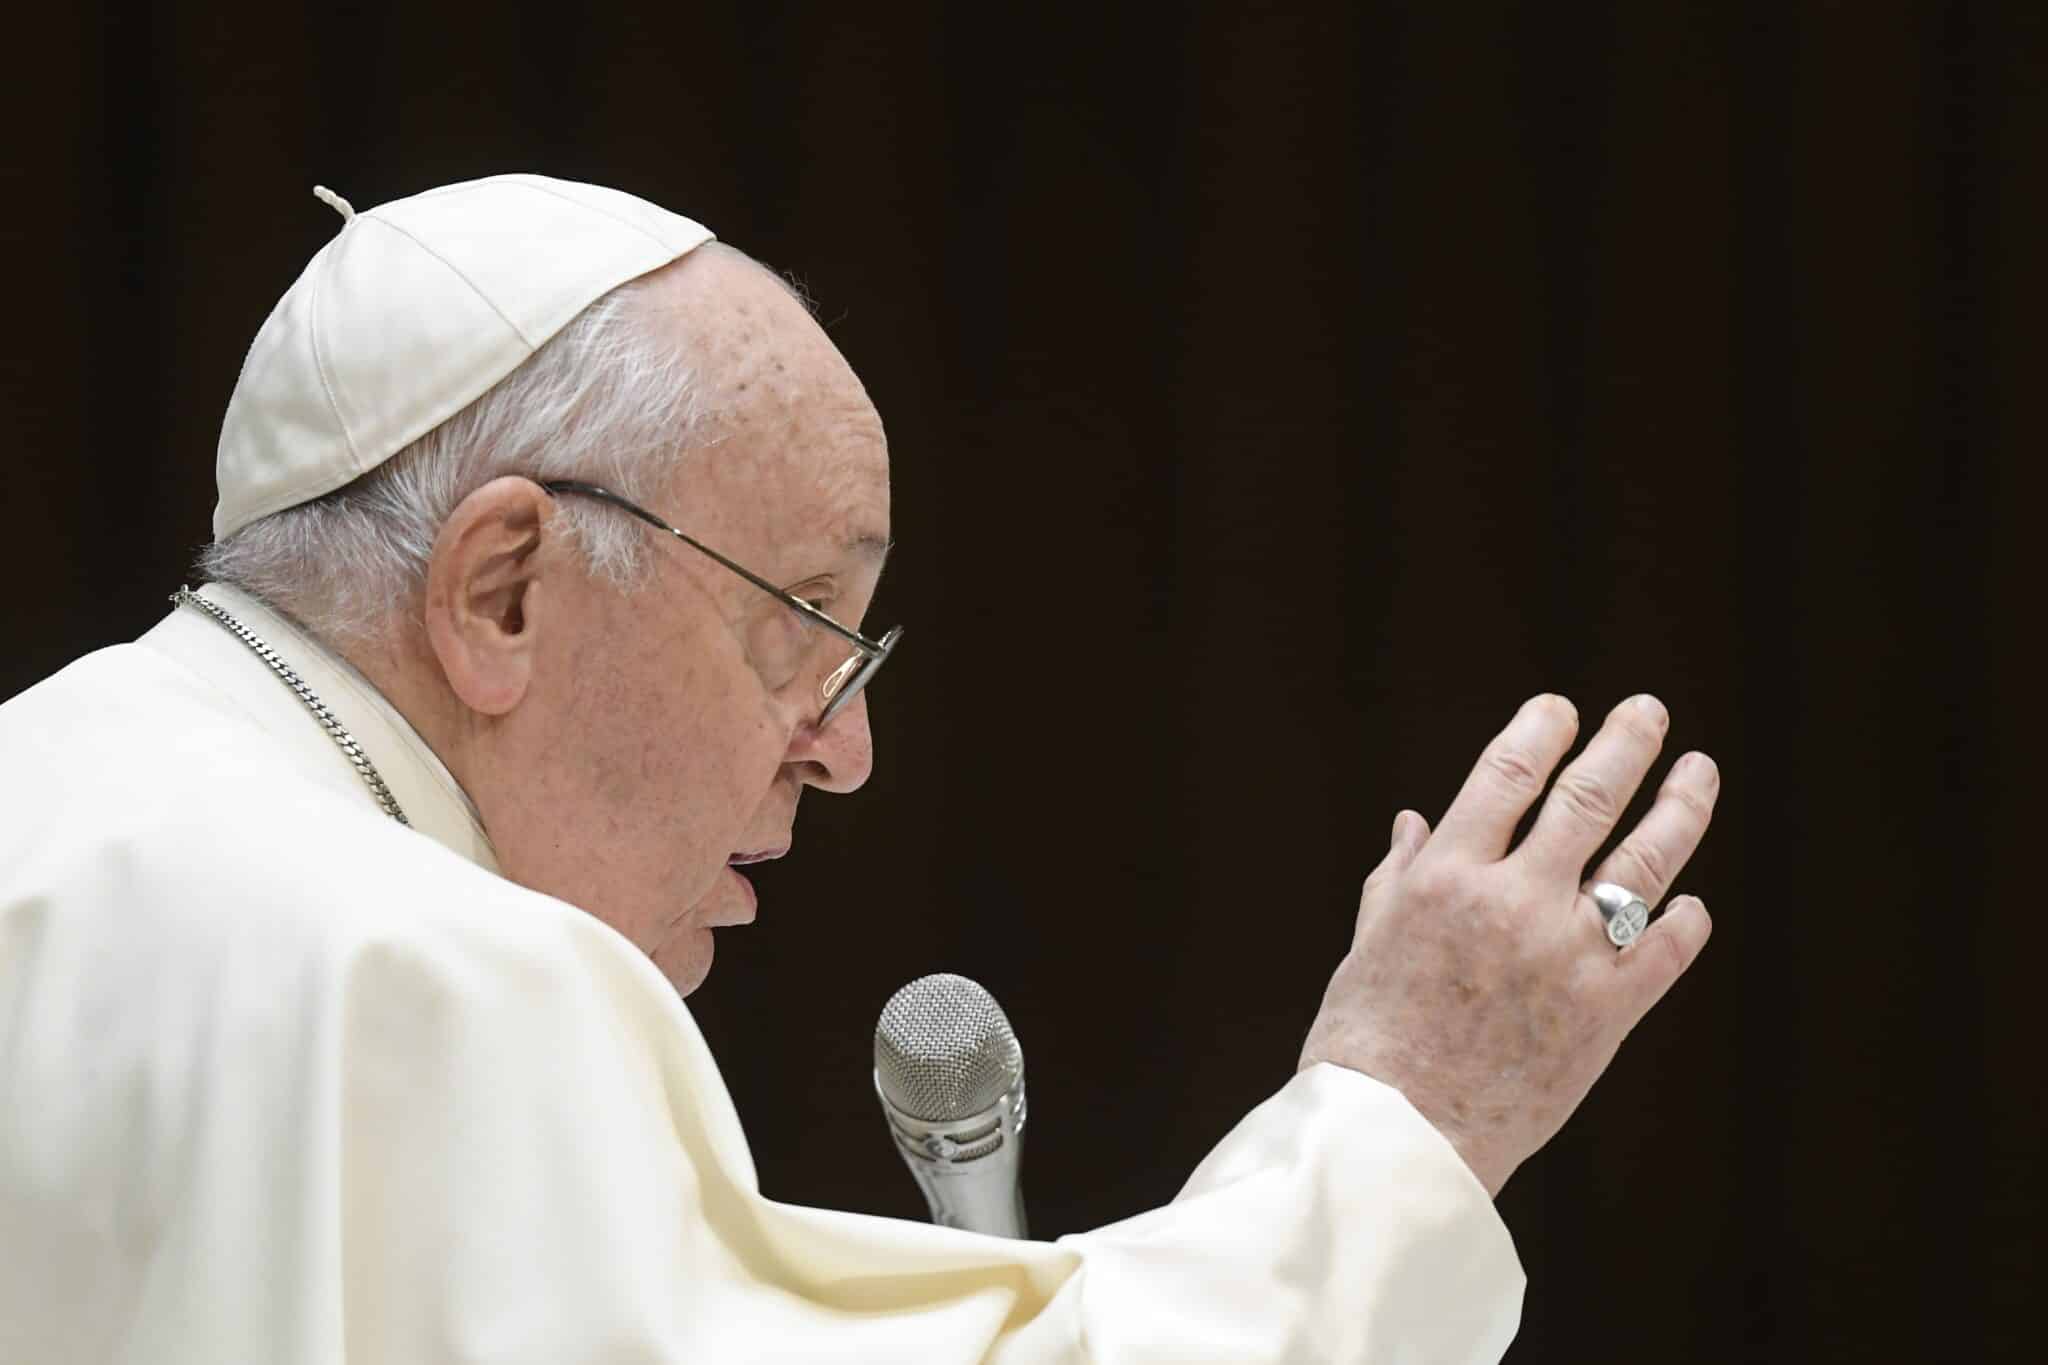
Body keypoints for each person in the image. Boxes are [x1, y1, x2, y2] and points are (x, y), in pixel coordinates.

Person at [0, 175, 1718, 1362]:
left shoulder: (56, 796)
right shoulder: (413, 974)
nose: (846, 748)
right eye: (801, 614)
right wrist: (1410, 1115)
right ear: (501, 588)